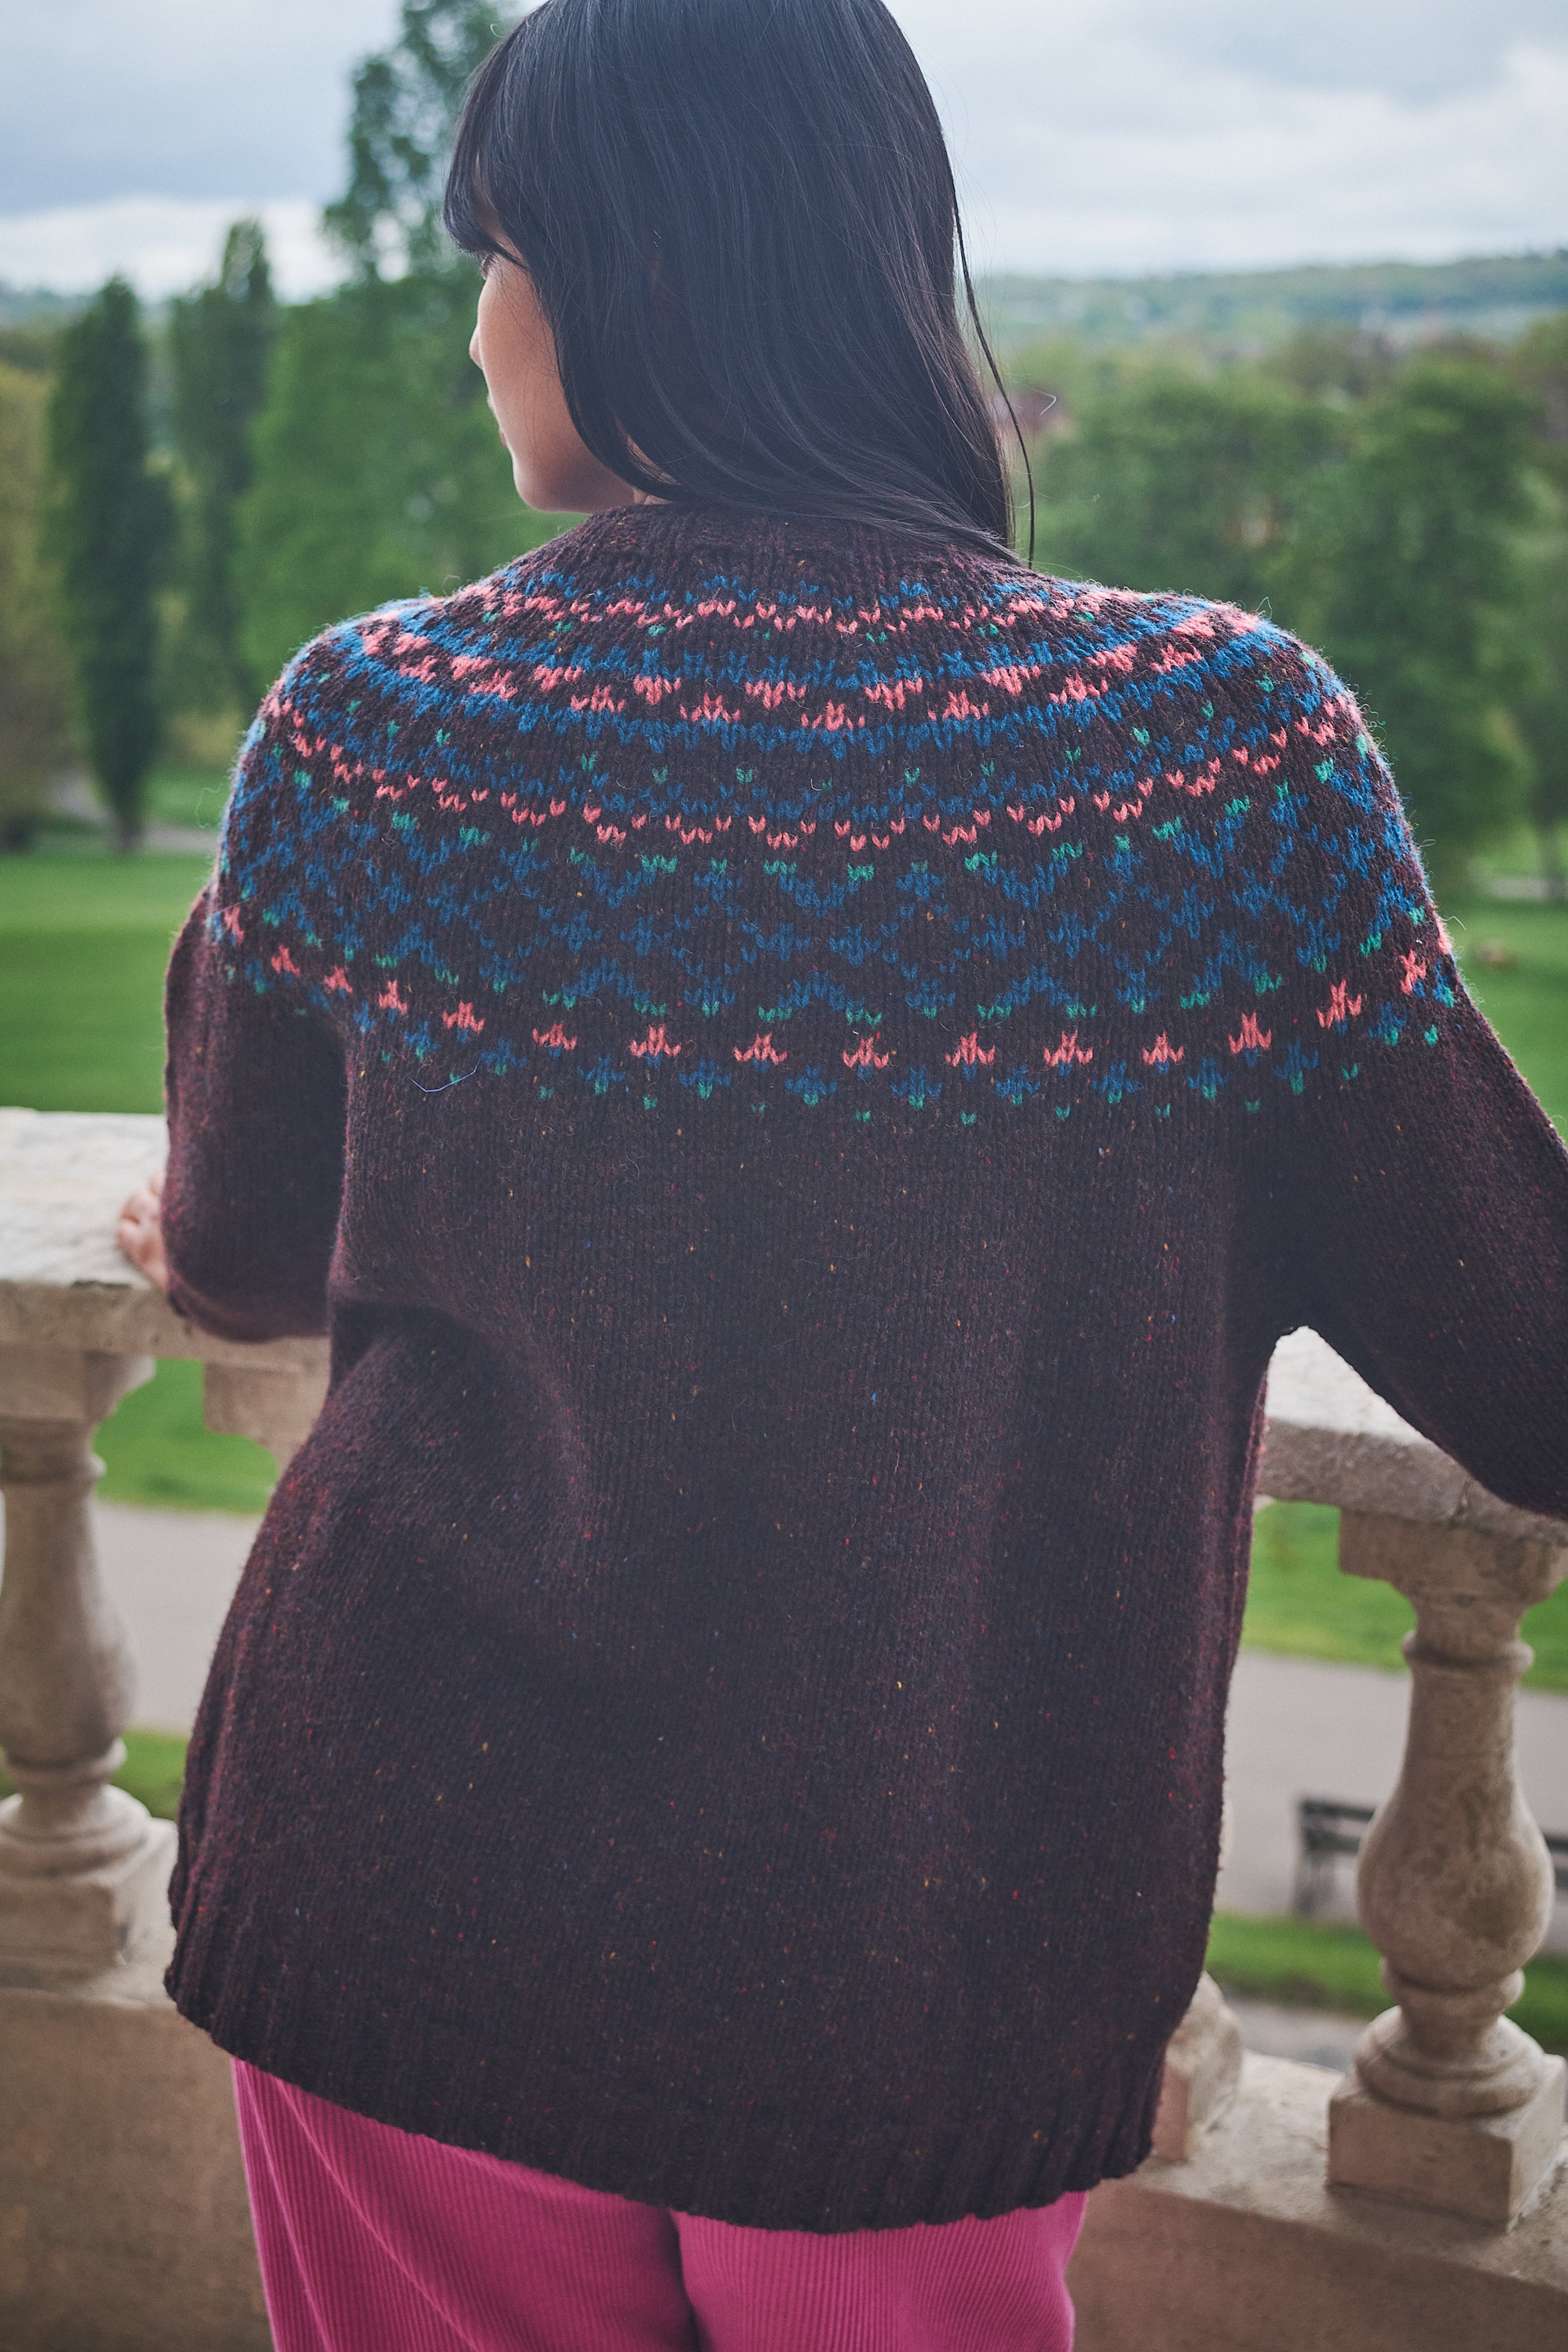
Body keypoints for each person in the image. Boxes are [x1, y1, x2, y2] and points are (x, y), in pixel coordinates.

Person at [115, 1, 1568, 2345]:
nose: (480, 319)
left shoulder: (374, 731)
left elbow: (241, 1251)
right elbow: (1533, 1357)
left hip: (405, 1891)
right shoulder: (1202, 763)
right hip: (919, 1953)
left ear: (631, 281)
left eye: (503, 252)